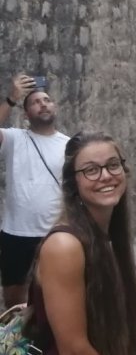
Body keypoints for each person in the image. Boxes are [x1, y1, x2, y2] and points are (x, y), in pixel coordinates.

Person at [24, 132, 136, 355]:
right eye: (91, 170)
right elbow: (73, 349)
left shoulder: (106, 237)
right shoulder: (64, 246)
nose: (106, 176)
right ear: (73, 183)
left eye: (113, 165)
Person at [0, 74, 71, 309]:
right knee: (14, 301)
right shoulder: (15, 139)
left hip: (55, 233)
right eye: (35, 102)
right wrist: (11, 99)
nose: (43, 104)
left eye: (47, 100)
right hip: (17, 233)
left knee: (56, 295)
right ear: (26, 114)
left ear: (55, 107)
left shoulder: (68, 145)